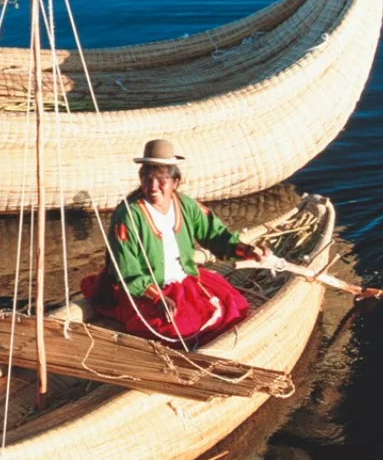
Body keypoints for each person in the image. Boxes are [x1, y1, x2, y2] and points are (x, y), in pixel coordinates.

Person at [80, 139, 263, 344]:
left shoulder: (185, 205)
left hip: (184, 280)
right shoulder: (128, 215)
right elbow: (125, 268)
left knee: (233, 303)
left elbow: (215, 235)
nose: (153, 187)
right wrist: (156, 298)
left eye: (161, 180)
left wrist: (245, 250)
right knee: (179, 327)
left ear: (175, 182)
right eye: (147, 179)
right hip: (145, 289)